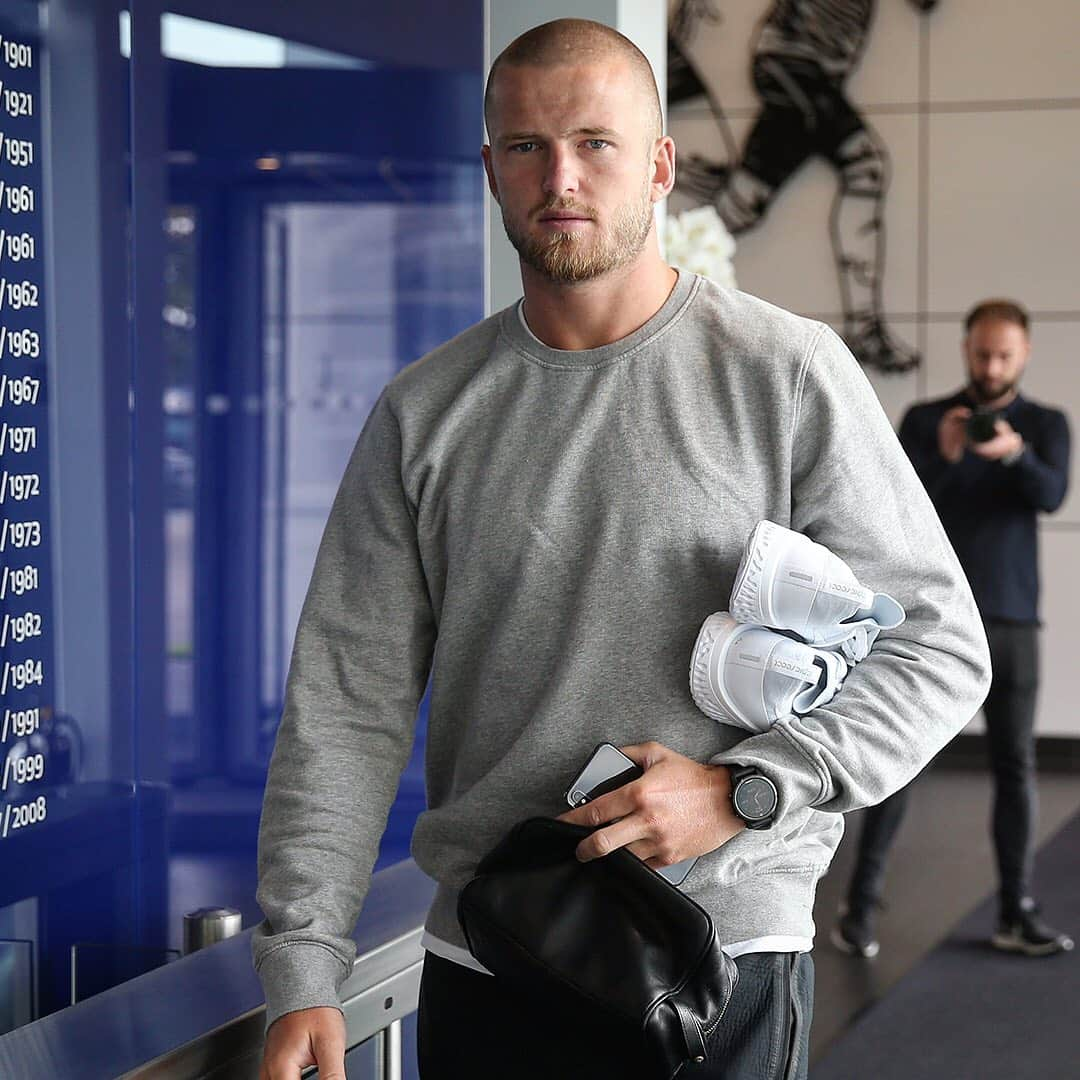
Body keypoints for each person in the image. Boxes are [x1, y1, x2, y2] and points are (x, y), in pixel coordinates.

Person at [254, 19, 990, 1080]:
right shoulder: (427, 413)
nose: (561, 177)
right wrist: (306, 966)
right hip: (494, 959)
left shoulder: (785, 374)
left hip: (721, 957)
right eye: (526, 147)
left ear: (660, 165)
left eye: (597, 143)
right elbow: (345, 701)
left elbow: (940, 651)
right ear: (490, 170)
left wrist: (746, 788)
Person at [832, 299, 1074, 960]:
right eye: (981, 353)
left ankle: (1016, 909)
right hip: (927, 622)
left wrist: (1015, 454)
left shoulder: (1046, 425)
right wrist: (944, 456)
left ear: (1023, 354)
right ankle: (859, 907)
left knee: (1015, 766)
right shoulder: (926, 419)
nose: (991, 366)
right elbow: (889, 512)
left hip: (1012, 617)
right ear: (966, 349)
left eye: (1003, 355)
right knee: (898, 760)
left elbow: (1052, 494)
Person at [671, 0, 938, 372]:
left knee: (745, 202)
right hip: (797, 66)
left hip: (803, 70)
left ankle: (658, 275)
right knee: (866, 166)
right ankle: (864, 328)